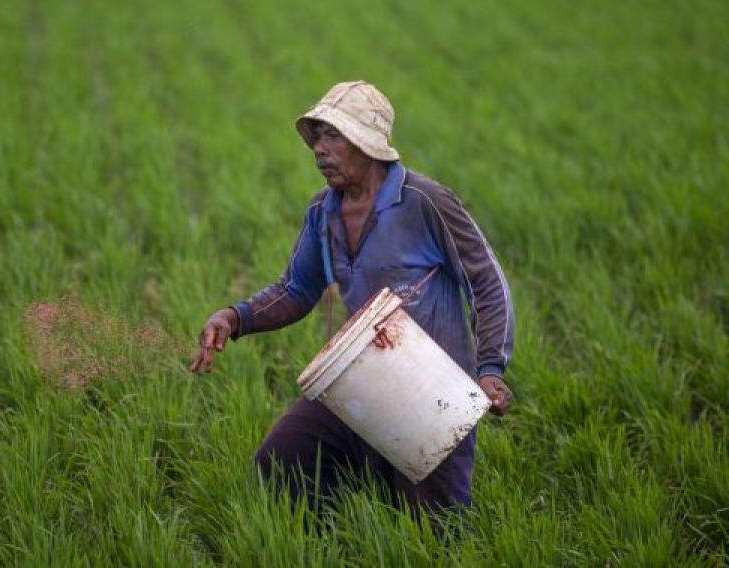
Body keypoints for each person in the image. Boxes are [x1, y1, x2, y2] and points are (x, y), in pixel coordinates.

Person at [189, 80, 514, 516]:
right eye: (317, 138)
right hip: (361, 377)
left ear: (369, 145)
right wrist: (234, 317)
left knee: (433, 532)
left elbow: (487, 282)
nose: (320, 149)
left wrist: (490, 368)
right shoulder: (323, 211)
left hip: (432, 390)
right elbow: (296, 289)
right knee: (283, 461)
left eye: (334, 136)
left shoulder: (424, 203)